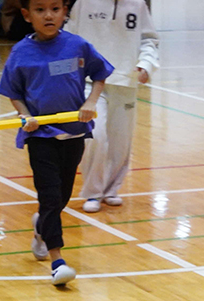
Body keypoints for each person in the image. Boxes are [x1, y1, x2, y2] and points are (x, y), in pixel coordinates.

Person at [0, 0, 113, 286]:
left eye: (55, 9)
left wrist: (90, 102)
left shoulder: (78, 46)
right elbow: (13, 92)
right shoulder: (21, 52)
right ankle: (57, 261)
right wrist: (25, 116)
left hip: (74, 132)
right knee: (49, 197)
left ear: (64, 13)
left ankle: (41, 229)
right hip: (41, 136)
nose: (48, 15)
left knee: (60, 198)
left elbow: (100, 74)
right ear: (27, 15)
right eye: (39, 10)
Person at [67, 0, 159, 213]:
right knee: (95, 135)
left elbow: (149, 40)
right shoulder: (84, 3)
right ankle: (92, 192)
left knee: (120, 140)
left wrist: (146, 65)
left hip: (125, 80)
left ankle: (111, 189)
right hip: (90, 81)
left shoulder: (138, 5)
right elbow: (70, 37)